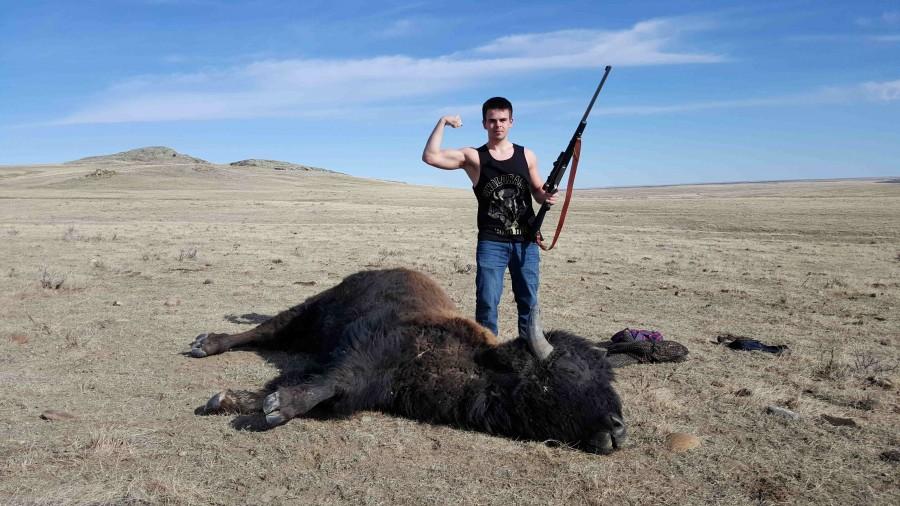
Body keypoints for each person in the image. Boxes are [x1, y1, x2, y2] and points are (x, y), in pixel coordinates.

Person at [422, 97, 557, 346]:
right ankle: (487, 354)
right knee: (487, 302)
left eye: (503, 120)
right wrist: (442, 122)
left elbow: (538, 192)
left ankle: (529, 352)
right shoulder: (474, 157)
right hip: (491, 242)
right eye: (492, 121)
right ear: (484, 123)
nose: (498, 125)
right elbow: (430, 157)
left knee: (529, 300)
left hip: (526, 240)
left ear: (511, 122)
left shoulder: (526, 155)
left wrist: (546, 195)